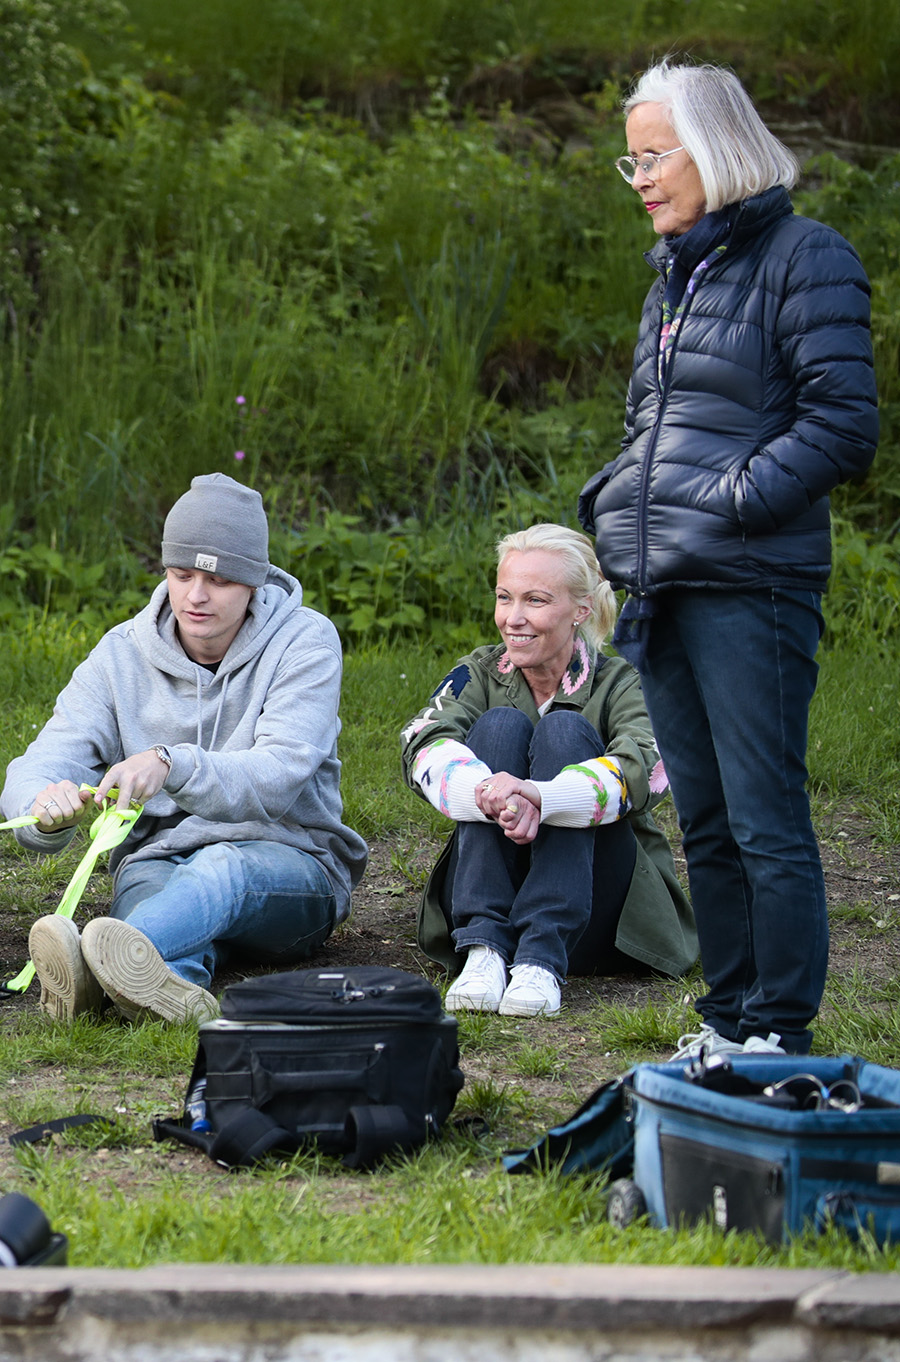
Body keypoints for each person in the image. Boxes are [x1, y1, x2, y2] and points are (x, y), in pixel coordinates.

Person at [578, 60, 878, 1058]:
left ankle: (779, 1031)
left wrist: (731, 504)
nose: (644, 180)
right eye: (633, 162)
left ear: (718, 147)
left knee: (762, 817)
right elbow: (645, 427)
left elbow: (843, 425)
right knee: (700, 818)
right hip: (663, 588)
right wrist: (619, 522)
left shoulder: (808, 256)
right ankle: (728, 1018)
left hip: (755, 585)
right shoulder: (672, 278)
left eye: (655, 156)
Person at [2, 473, 367, 1024]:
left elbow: (278, 774)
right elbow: (45, 759)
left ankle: (88, 971)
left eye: (217, 581)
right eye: (181, 574)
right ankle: (168, 994)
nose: (196, 595)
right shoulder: (120, 654)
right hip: (159, 863)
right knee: (164, 915)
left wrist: (171, 763)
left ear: (253, 582)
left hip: (292, 865)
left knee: (220, 870)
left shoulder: (305, 642)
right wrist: (42, 806)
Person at [400, 522, 697, 1018]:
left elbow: (649, 766)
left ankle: (541, 955)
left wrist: (543, 796)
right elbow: (421, 741)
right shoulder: (479, 671)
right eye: (504, 597)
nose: (513, 618)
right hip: (484, 913)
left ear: (581, 609)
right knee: (498, 726)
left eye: (535, 601)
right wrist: (485, 790)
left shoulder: (624, 682)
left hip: (596, 920)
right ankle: (486, 950)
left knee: (564, 733)